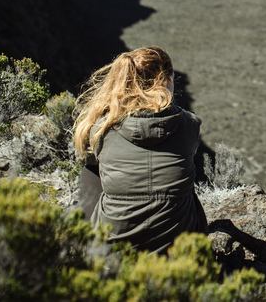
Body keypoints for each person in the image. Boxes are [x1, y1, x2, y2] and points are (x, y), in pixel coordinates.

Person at [72, 46, 207, 254]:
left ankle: (82, 245)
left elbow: (87, 157)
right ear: (167, 79)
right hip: (177, 255)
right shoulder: (189, 124)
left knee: (91, 171)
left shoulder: (101, 129)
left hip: (114, 254)